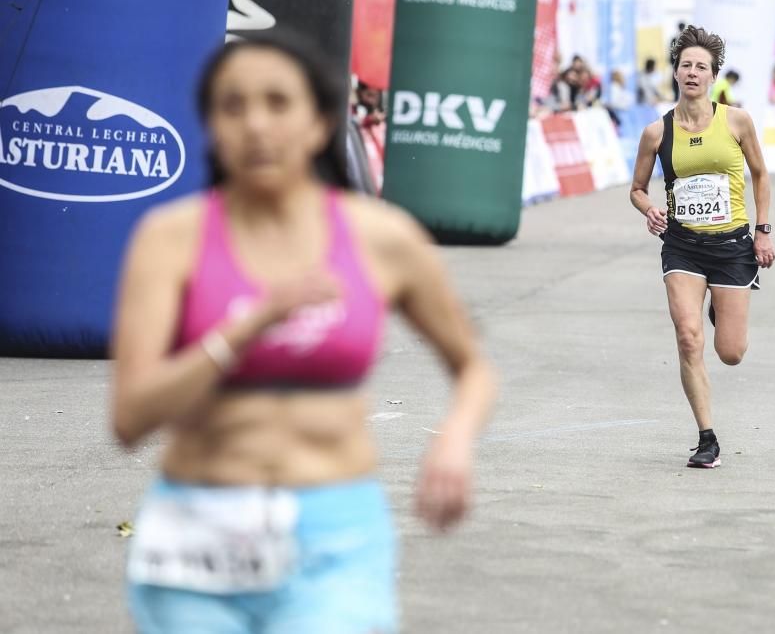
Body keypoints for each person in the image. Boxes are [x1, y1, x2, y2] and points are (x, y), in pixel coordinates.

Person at [112, 32, 496, 633]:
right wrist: (244, 329)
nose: (256, 125)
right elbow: (130, 418)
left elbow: (472, 367)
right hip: (194, 536)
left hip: (335, 535)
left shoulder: (381, 237)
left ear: (320, 124)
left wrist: (454, 441)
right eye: (233, 107)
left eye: (277, 103)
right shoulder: (169, 238)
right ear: (211, 125)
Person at [628, 25, 775, 469]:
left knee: (730, 352)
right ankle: (706, 437)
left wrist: (763, 229)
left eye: (701, 67)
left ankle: (722, 305)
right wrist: (649, 208)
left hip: (732, 246)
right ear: (675, 71)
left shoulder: (736, 120)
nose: (692, 72)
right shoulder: (657, 133)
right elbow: (636, 189)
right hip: (682, 247)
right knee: (689, 337)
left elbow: (761, 175)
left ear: (713, 76)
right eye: (686, 65)